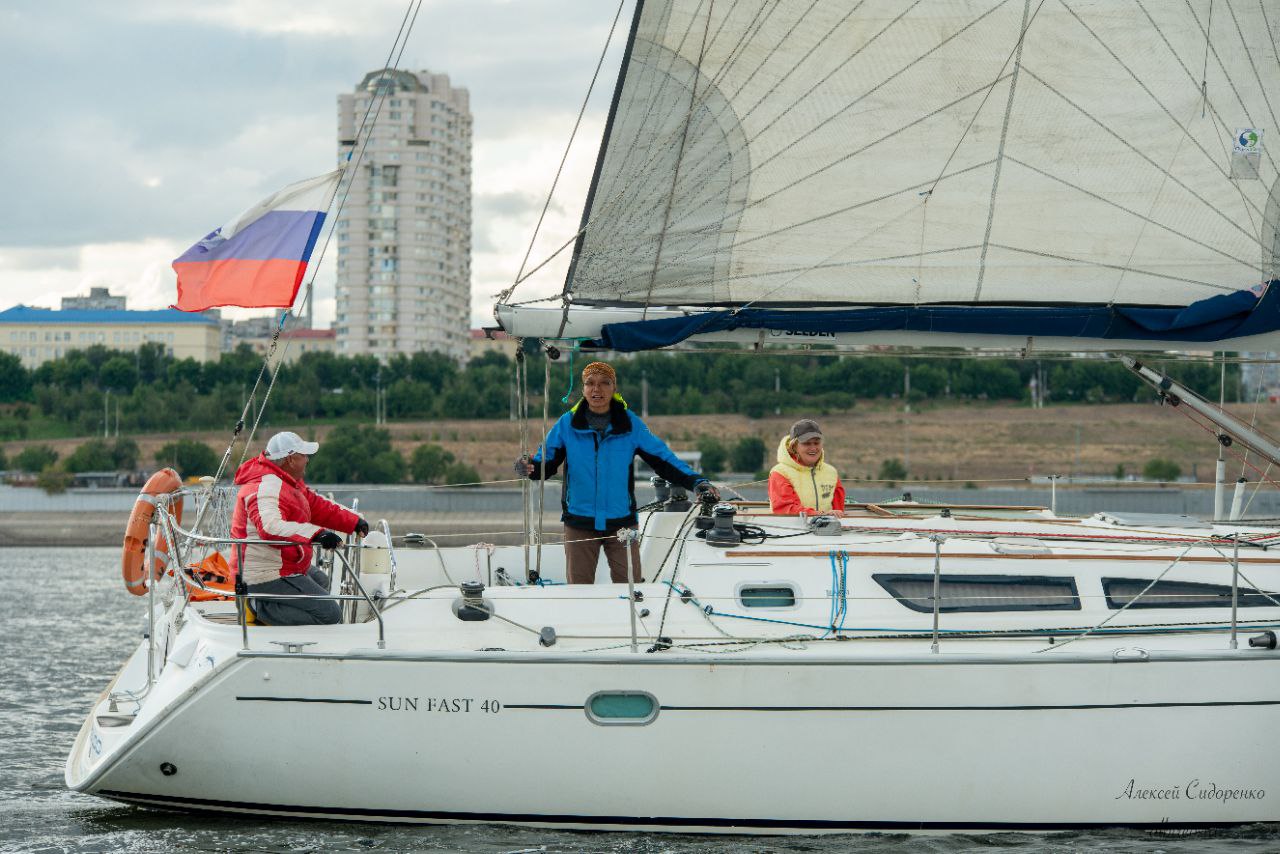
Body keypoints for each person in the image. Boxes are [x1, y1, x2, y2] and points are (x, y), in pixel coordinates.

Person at [517, 361, 717, 584]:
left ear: (614, 388)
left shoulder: (631, 424)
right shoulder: (567, 424)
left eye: (605, 383)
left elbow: (663, 459)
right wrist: (530, 466)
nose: (597, 389)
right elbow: (546, 463)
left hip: (622, 523)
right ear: (583, 389)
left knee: (632, 588)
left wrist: (697, 482)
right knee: (578, 591)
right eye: (590, 383)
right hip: (579, 522)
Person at [230, 431, 369, 625]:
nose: (307, 460)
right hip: (262, 573)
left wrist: (354, 522)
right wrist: (318, 534)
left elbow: (318, 506)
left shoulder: (288, 483)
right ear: (290, 460)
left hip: (282, 564)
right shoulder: (266, 486)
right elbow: (270, 527)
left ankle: (283, 619)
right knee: (330, 615)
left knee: (320, 580)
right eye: (303, 456)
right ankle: (257, 607)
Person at [768, 419, 846, 516]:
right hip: (790, 529)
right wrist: (821, 515)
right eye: (807, 443)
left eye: (816, 443)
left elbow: (839, 510)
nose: (813, 448)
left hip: (828, 530)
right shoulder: (780, 473)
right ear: (793, 446)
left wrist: (827, 516)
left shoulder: (832, 473)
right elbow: (785, 508)